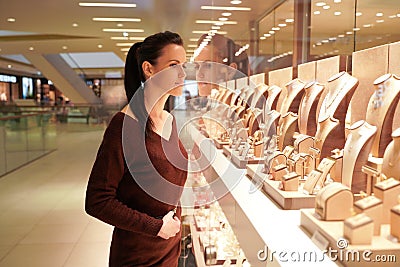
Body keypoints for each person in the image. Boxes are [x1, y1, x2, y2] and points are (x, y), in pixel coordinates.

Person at [85, 31, 188, 267]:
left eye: (184, 65)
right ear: (148, 69)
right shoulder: (124, 126)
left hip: (169, 250)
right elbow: (97, 201)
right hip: (138, 256)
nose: (182, 73)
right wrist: (156, 227)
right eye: (174, 65)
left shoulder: (170, 121)